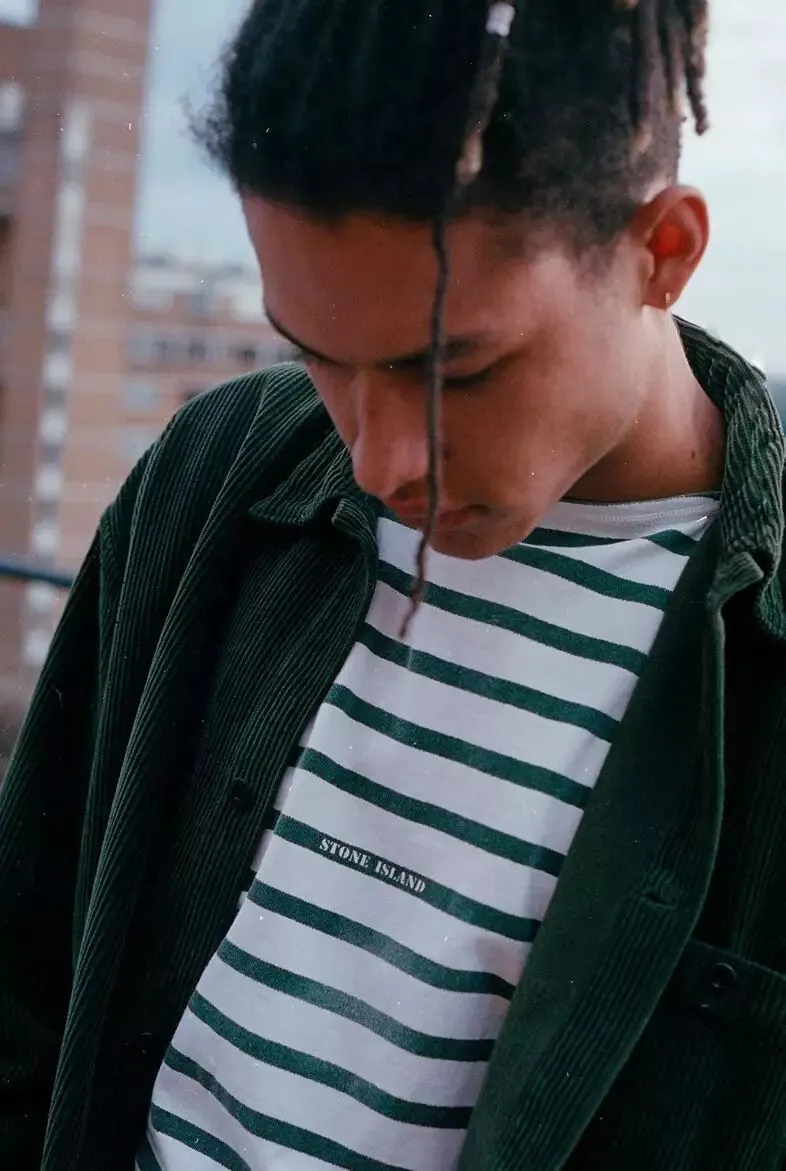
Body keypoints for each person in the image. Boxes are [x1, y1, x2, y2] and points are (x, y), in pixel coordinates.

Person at [1, 0, 785, 1167]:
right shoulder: (215, 475)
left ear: (662, 250)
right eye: (317, 355)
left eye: (452, 372)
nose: (379, 461)